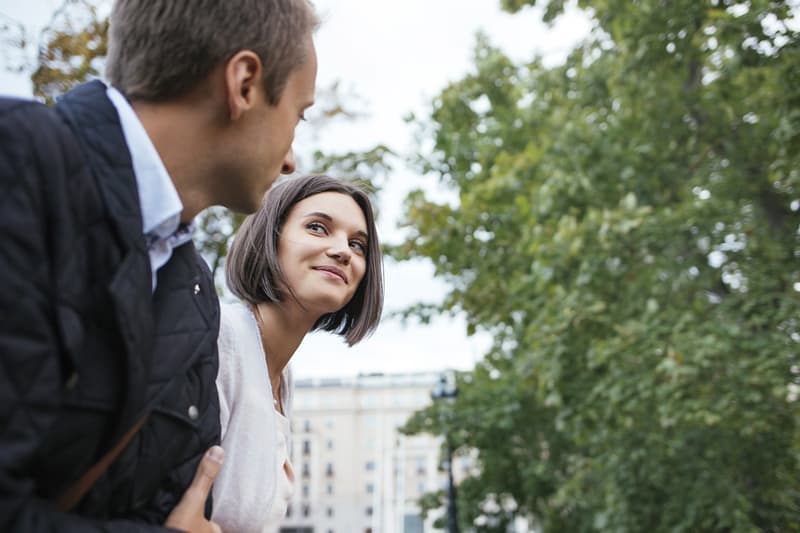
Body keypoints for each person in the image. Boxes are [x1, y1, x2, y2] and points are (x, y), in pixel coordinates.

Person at [0, 0, 318, 531]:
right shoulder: (18, 168)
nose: (292, 159)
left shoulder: (192, 289)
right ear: (243, 84)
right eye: (298, 114)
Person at [212, 175, 384, 533]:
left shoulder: (281, 377)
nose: (343, 251)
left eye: (358, 244)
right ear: (269, 238)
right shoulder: (220, 340)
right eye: (318, 227)